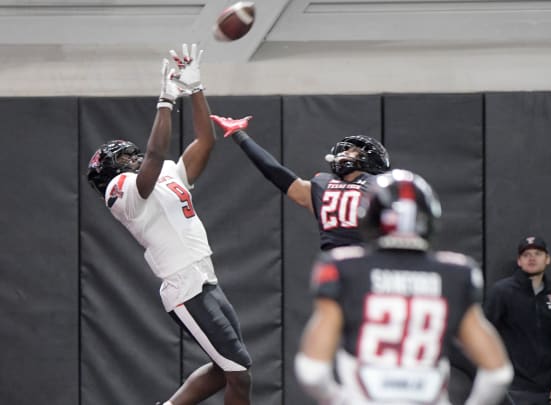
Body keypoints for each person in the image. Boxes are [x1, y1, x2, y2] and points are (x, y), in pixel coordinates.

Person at [86, 44, 252, 405]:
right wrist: (165, 100)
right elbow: (155, 156)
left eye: (134, 152)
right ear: (111, 171)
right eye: (127, 157)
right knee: (239, 372)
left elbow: (205, 141)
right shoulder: (120, 191)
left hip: (205, 278)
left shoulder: (164, 174)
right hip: (184, 287)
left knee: (226, 369)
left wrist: (195, 89)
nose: (136, 157)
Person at [294, 169, 514, 405]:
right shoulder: (456, 273)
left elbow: (312, 372)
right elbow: (497, 373)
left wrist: (340, 400)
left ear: (370, 217)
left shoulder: (345, 268)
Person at [209, 114, 390, 250]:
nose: (345, 154)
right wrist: (239, 135)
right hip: (336, 266)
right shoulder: (324, 185)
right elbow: (276, 172)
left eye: (354, 151)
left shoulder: (380, 185)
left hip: (371, 263)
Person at [484, 236, 551, 405]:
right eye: (526, 255)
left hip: (547, 390)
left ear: (547, 259)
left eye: (537, 253)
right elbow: (485, 335)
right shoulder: (502, 292)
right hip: (512, 387)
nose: (532, 258)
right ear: (519, 261)